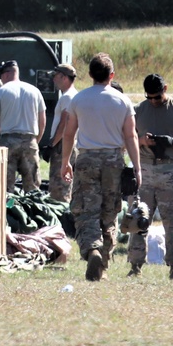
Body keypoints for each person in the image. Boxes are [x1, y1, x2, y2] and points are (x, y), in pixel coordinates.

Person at [62, 52, 140, 282]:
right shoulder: (123, 101)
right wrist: (136, 167)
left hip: (86, 159)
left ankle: (92, 250)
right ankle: (103, 263)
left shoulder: (79, 99)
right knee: (109, 212)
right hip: (113, 160)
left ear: (90, 75)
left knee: (86, 211)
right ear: (111, 75)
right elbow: (131, 135)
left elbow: (69, 133)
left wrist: (65, 161)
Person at [128, 73, 173, 280]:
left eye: (157, 97)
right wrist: (142, 142)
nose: (154, 101)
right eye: (150, 97)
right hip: (145, 170)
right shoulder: (138, 111)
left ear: (166, 88)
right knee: (138, 220)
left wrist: (171, 142)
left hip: (169, 171)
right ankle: (135, 265)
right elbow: (127, 140)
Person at [0, 60, 46, 192]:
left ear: (5, 75)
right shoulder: (35, 91)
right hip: (30, 140)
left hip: (8, 142)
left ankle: (7, 211)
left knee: (5, 187)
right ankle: (32, 212)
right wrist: (35, 141)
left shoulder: (0, 92)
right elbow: (42, 122)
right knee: (33, 187)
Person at [46, 64, 78, 202]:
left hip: (62, 146)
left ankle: (60, 220)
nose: (53, 80)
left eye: (55, 76)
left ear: (64, 77)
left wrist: (52, 144)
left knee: (59, 190)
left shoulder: (67, 97)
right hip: (68, 145)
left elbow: (64, 124)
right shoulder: (73, 95)